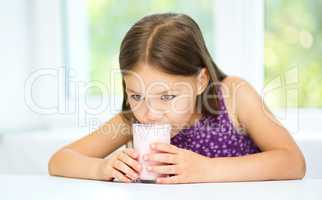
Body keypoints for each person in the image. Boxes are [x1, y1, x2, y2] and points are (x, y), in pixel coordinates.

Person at [48, 13, 306, 184]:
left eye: (167, 96)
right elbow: (60, 160)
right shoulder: (134, 122)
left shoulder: (234, 96)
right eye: (136, 95)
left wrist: (207, 170)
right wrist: (101, 169)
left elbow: (293, 162)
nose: (150, 113)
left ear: (201, 80)